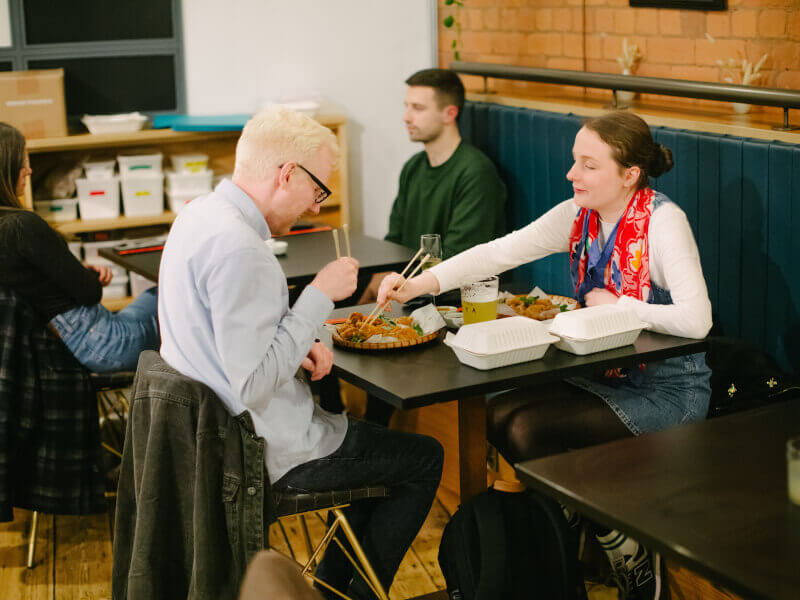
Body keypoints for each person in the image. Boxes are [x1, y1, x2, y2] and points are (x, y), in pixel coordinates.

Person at [377, 111, 712, 600]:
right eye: (574, 161)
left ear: (630, 175)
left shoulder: (664, 222)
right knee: (500, 412)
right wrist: (419, 284)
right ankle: (571, 536)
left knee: (528, 429)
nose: (571, 174)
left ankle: (623, 550)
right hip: (604, 373)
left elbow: (697, 319)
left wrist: (623, 305)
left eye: (588, 165)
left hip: (669, 389)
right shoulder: (579, 216)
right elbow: (497, 253)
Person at [158, 107, 443, 600]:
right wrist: (319, 295)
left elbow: (231, 346)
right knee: (422, 459)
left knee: (375, 450)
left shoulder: (198, 215)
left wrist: (297, 344)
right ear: (287, 173)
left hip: (209, 439)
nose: (316, 208)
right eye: (318, 191)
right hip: (261, 450)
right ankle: (339, 593)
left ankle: (331, 589)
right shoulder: (242, 249)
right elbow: (250, 383)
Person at [0, 121, 159, 372]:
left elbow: (29, 281)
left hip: (63, 343)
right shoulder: (22, 226)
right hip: (101, 342)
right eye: (22, 161)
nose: (29, 170)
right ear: (5, 169)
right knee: (168, 295)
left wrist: (72, 271)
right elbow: (89, 293)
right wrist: (86, 277)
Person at [358, 67, 507, 304]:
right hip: (407, 289)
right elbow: (394, 242)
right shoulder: (413, 167)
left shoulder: (476, 173)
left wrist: (398, 284)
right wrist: (382, 279)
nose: (406, 117)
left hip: (449, 298)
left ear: (449, 114)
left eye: (417, 108)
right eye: (406, 106)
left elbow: (461, 259)